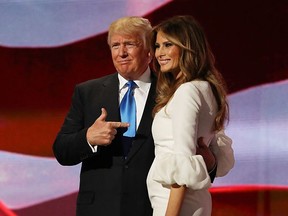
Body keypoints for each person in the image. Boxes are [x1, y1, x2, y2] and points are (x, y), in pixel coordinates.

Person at [53, 16, 234, 216]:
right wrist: (88, 138)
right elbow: (61, 150)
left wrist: (211, 164)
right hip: (98, 208)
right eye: (115, 45)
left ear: (149, 51)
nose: (121, 53)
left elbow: (199, 149)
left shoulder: (172, 91)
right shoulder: (88, 92)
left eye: (130, 44)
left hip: (151, 207)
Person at [146, 15, 234, 216]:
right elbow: (209, 155)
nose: (160, 53)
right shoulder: (206, 88)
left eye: (168, 45)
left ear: (188, 47)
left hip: (175, 203)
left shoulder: (187, 91)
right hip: (187, 201)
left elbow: (182, 162)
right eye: (158, 46)